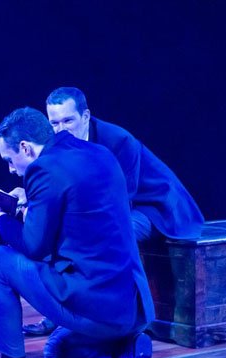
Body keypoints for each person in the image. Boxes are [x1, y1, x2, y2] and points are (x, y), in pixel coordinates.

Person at [0, 107, 155, 358]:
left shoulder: (43, 168)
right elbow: (80, 214)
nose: (11, 170)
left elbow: (35, 247)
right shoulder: (98, 153)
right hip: (132, 306)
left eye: (10, 160)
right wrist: (32, 204)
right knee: (56, 351)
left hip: (95, 304)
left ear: (25, 147)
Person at [23, 86, 204, 336]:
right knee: (59, 225)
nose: (60, 130)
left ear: (85, 117)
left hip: (154, 208)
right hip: (118, 207)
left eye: (68, 121)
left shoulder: (118, 141)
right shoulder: (60, 147)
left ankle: (124, 313)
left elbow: (119, 202)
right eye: (54, 123)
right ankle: (61, 309)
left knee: (100, 229)